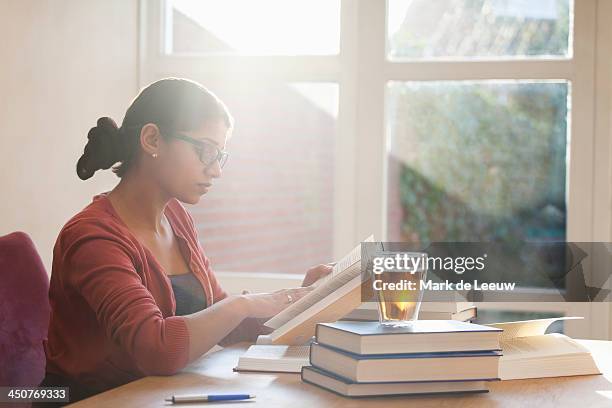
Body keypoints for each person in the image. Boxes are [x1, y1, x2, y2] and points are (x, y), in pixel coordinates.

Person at [40, 78, 332, 403]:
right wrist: (243, 303)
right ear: (152, 139)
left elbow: (223, 321)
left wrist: (304, 301)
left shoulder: (176, 218)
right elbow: (157, 349)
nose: (215, 170)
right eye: (205, 150)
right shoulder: (93, 237)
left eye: (219, 156)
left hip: (155, 396)